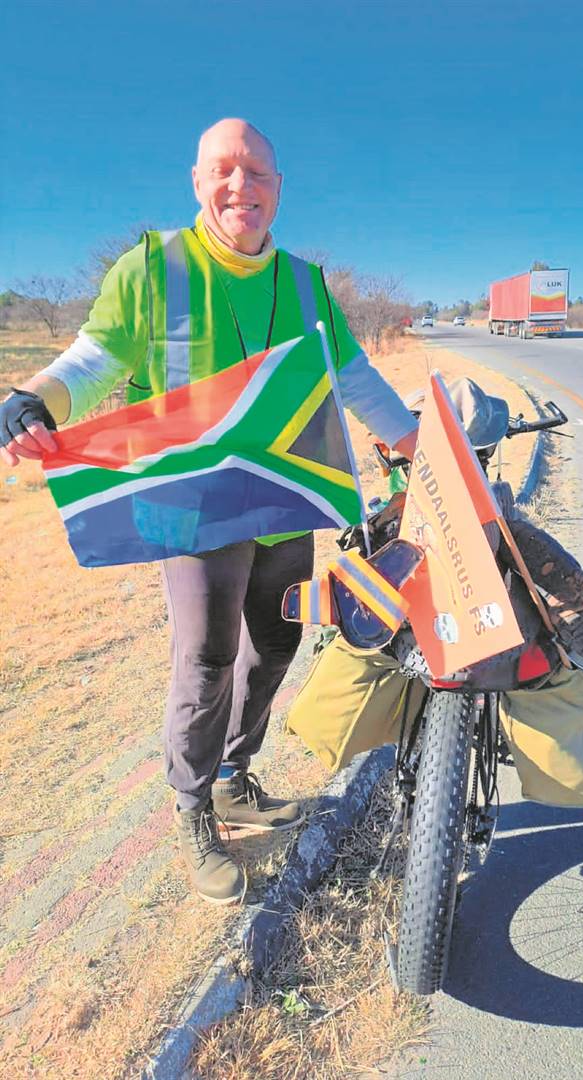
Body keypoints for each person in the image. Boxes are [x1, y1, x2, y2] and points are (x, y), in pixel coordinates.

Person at [0, 118, 418, 905]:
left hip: (285, 500)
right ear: (197, 181)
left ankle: (232, 774)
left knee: (276, 643)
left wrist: (415, 439)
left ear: (279, 190)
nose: (240, 186)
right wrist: (35, 399)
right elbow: (97, 359)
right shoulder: (153, 266)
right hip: (193, 511)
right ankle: (192, 809)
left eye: (257, 173)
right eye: (224, 170)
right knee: (206, 657)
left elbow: (353, 374)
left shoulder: (306, 283)